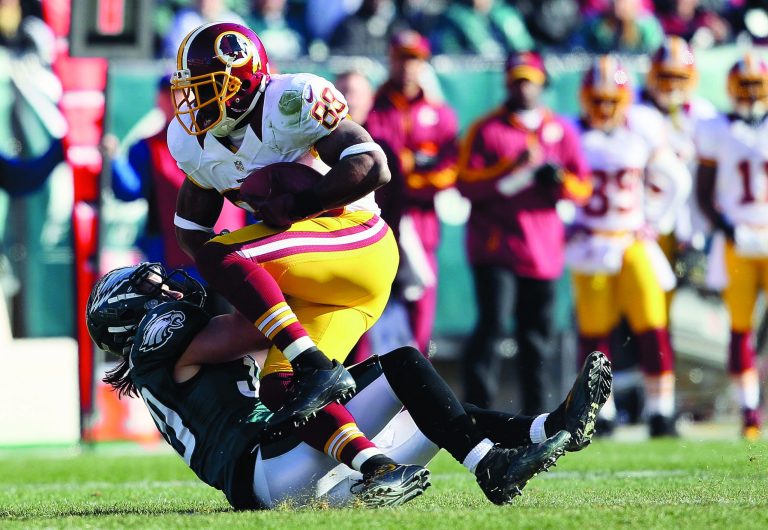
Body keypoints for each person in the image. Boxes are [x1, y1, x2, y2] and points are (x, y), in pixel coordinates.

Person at [85, 261, 613, 509]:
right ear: (136, 314)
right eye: (153, 288)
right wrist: (301, 272)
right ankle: (453, 468)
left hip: (275, 474)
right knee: (375, 370)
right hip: (268, 463)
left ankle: (547, 426)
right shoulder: (157, 340)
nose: (168, 287)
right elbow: (256, 324)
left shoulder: (161, 357)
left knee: (431, 408)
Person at [167, 22, 394, 431]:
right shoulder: (192, 142)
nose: (196, 101)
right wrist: (251, 287)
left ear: (242, 81)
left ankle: (312, 364)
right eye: (192, 88)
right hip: (302, 264)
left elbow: (372, 167)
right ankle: (392, 465)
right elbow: (189, 230)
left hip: (352, 234)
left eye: (208, 87)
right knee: (280, 389)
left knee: (225, 254)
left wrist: (298, 204)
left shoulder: (291, 101)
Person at [456, 51, 591, 412]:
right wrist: (508, 168)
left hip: (543, 249)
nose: (524, 87)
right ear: (507, 82)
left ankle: (539, 416)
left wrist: (558, 180)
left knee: (538, 338)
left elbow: (583, 187)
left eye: (529, 80)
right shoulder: (487, 129)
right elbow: (465, 183)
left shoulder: (560, 130)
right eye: (517, 80)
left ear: (542, 82)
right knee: (493, 327)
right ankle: (476, 412)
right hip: (496, 246)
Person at [569, 55, 688, 437]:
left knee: (652, 325)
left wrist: (656, 221)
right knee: (594, 336)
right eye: (597, 99)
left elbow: (677, 179)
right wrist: (569, 224)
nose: (604, 108)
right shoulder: (572, 131)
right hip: (591, 242)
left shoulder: (642, 127)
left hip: (631, 239)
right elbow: (559, 193)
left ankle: (661, 411)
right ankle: (601, 414)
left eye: (611, 100)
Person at [108, 74, 246, 315]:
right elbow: (129, 190)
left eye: (184, 92)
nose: (177, 100)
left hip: (231, 255)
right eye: (170, 93)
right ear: (159, 99)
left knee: (234, 330)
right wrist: (114, 160)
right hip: (175, 262)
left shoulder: (225, 136)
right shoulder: (148, 147)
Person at [364, 30, 459, 355]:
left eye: (414, 59)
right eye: (401, 57)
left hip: (421, 227)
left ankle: (416, 398)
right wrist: (409, 171)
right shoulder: (374, 109)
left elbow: (449, 172)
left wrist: (408, 177)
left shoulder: (439, 114)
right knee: (366, 313)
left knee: (420, 318)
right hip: (379, 222)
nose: (407, 66)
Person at [695, 52, 768, 441]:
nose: (752, 92)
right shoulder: (716, 128)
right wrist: (724, 225)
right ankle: (750, 412)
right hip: (736, 240)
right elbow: (703, 192)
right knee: (740, 328)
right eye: (745, 85)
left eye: (757, 84)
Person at [638, 37, 716, 297]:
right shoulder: (633, 111)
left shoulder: (703, 115)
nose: (671, 86)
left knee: (678, 295)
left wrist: (697, 228)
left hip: (683, 221)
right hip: (641, 218)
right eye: (665, 77)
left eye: (678, 77)